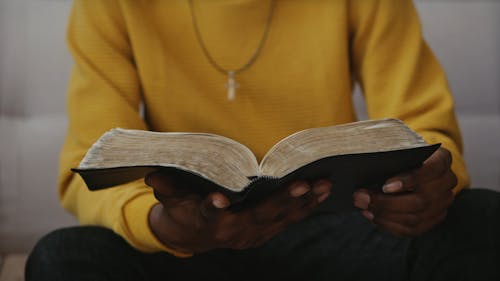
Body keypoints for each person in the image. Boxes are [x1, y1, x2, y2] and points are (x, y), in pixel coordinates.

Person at [26, 0, 500, 280]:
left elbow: (426, 130)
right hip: (190, 242)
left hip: (330, 230)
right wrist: (164, 225)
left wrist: (425, 182)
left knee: (483, 219)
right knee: (62, 258)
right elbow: (86, 167)